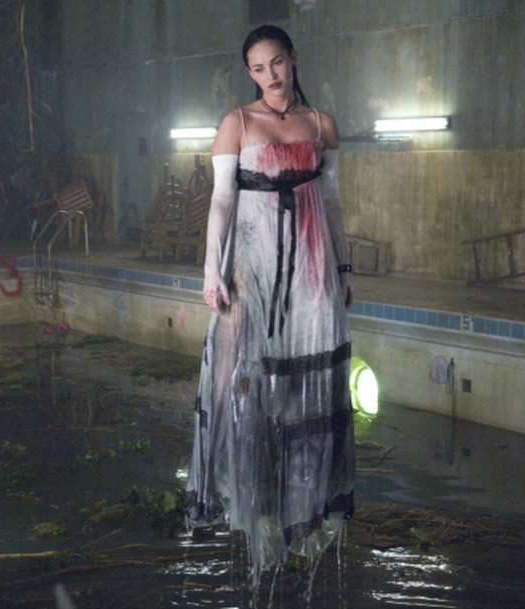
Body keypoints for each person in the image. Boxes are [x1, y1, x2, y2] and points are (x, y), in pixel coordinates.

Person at [185, 24, 356, 586]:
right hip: (252, 270)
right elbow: (221, 200)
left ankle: (304, 518)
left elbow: (331, 201)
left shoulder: (321, 124)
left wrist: (344, 268)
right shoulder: (237, 122)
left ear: (293, 58)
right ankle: (255, 518)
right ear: (249, 73)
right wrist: (212, 271)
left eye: (277, 63)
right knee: (250, 388)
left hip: (312, 267)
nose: (270, 76)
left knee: (309, 390)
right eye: (258, 68)